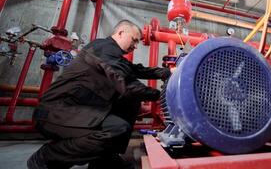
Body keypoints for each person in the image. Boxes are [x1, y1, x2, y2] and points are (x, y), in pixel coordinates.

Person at [27, 20, 171, 169]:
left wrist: (168, 72)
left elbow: (137, 70)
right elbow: (127, 86)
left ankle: (105, 161)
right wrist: (164, 95)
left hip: (78, 110)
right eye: (134, 40)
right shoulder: (103, 49)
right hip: (56, 112)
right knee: (116, 128)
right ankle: (48, 156)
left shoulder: (111, 54)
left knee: (129, 103)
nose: (135, 46)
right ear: (121, 33)